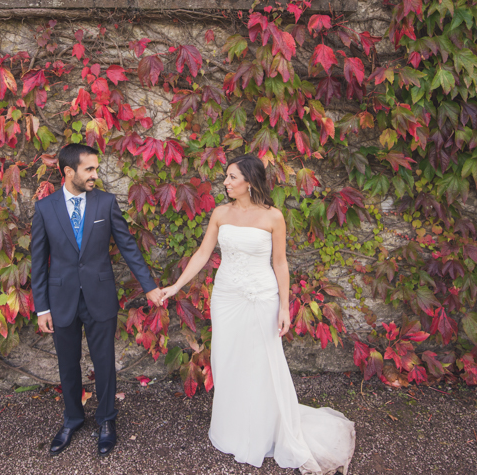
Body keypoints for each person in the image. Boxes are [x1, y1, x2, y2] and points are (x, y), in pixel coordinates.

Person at [159, 154, 356, 474]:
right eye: (226, 177)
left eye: (232, 177)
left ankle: (267, 427)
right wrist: (176, 286)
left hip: (261, 297)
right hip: (226, 298)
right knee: (229, 359)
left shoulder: (273, 216)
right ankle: (232, 428)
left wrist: (283, 306)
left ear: (249, 181)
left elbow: (280, 263)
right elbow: (203, 253)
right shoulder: (220, 213)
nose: (225, 182)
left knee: (262, 362)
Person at [31, 143, 165, 457]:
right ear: (68, 172)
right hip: (61, 298)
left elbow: (128, 247)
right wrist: (42, 308)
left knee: (104, 363)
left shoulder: (105, 203)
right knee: (67, 365)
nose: (95, 174)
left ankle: (106, 420)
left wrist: (148, 287)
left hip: (100, 296)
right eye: (89, 169)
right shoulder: (45, 209)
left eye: (95, 168)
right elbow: (38, 262)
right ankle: (73, 419)